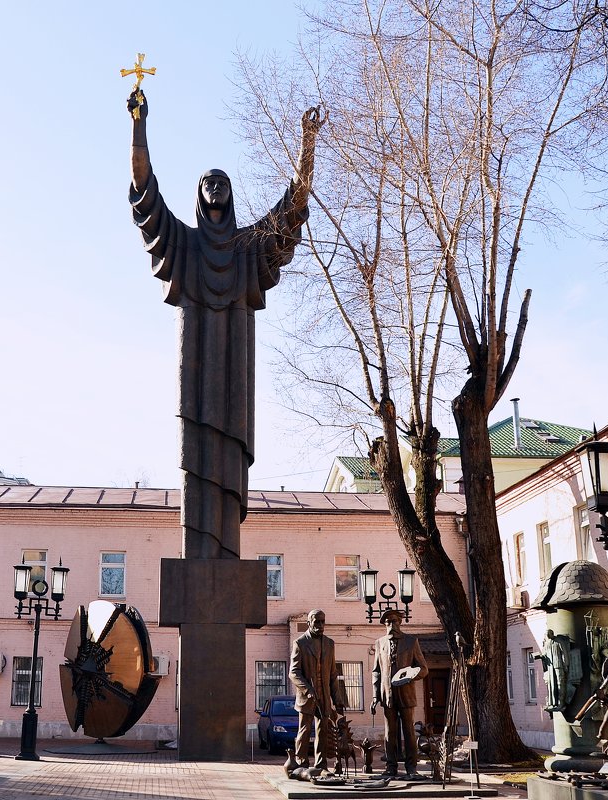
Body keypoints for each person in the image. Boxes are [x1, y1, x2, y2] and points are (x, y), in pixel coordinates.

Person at [128, 88, 323, 560]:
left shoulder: (248, 246)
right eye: (207, 182)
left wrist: (308, 146)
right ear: (198, 194)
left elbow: (292, 211)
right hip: (194, 376)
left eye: (222, 182)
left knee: (230, 451)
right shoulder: (185, 242)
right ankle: (198, 550)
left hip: (235, 371)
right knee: (195, 448)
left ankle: (225, 552)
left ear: (231, 193)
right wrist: (138, 123)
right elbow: (145, 195)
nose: (215, 187)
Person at [371, 609, 428, 778]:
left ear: (400, 622)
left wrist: (410, 676)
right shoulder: (379, 643)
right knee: (390, 732)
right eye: (387, 623)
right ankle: (391, 767)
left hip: (406, 694)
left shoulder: (411, 642)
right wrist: (375, 696)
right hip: (387, 695)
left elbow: (423, 669)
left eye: (394, 621)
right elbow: (376, 671)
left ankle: (411, 768)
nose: (391, 625)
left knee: (409, 731)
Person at [289, 609, 342, 773]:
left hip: (325, 696)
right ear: (309, 623)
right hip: (307, 696)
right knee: (304, 730)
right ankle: (301, 763)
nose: (320, 625)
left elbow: (333, 674)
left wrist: (337, 699)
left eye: (322, 621)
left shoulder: (329, 643)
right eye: (316, 622)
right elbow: (293, 672)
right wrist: (308, 689)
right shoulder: (300, 643)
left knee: (323, 730)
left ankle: (321, 764)